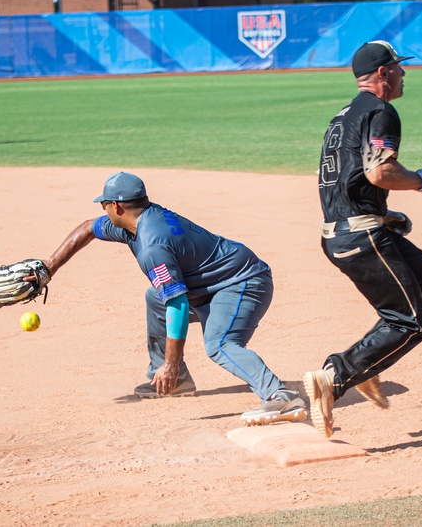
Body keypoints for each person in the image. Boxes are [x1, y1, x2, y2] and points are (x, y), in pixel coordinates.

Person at [32, 172, 308, 426]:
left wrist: (171, 362)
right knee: (155, 297)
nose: (102, 209)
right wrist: (50, 267)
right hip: (212, 282)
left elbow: (178, 303)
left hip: (243, 283)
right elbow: (89, 228)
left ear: (117, 207)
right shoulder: (136, 221)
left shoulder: (153, 245)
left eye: (103, 204)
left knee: (219, 343)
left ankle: (280, 395)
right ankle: (174, 381)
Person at [303, 41, 422, 438]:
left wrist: (385, 214)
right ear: (383, 73)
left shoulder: (343, 115)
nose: (403, 74)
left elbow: (345, 177)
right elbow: (381, 173)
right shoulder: (382, 110)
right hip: (361, 236)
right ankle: (336, 376)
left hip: (351, 228)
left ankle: (369, 363)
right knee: (412, 324)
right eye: (398, 67)